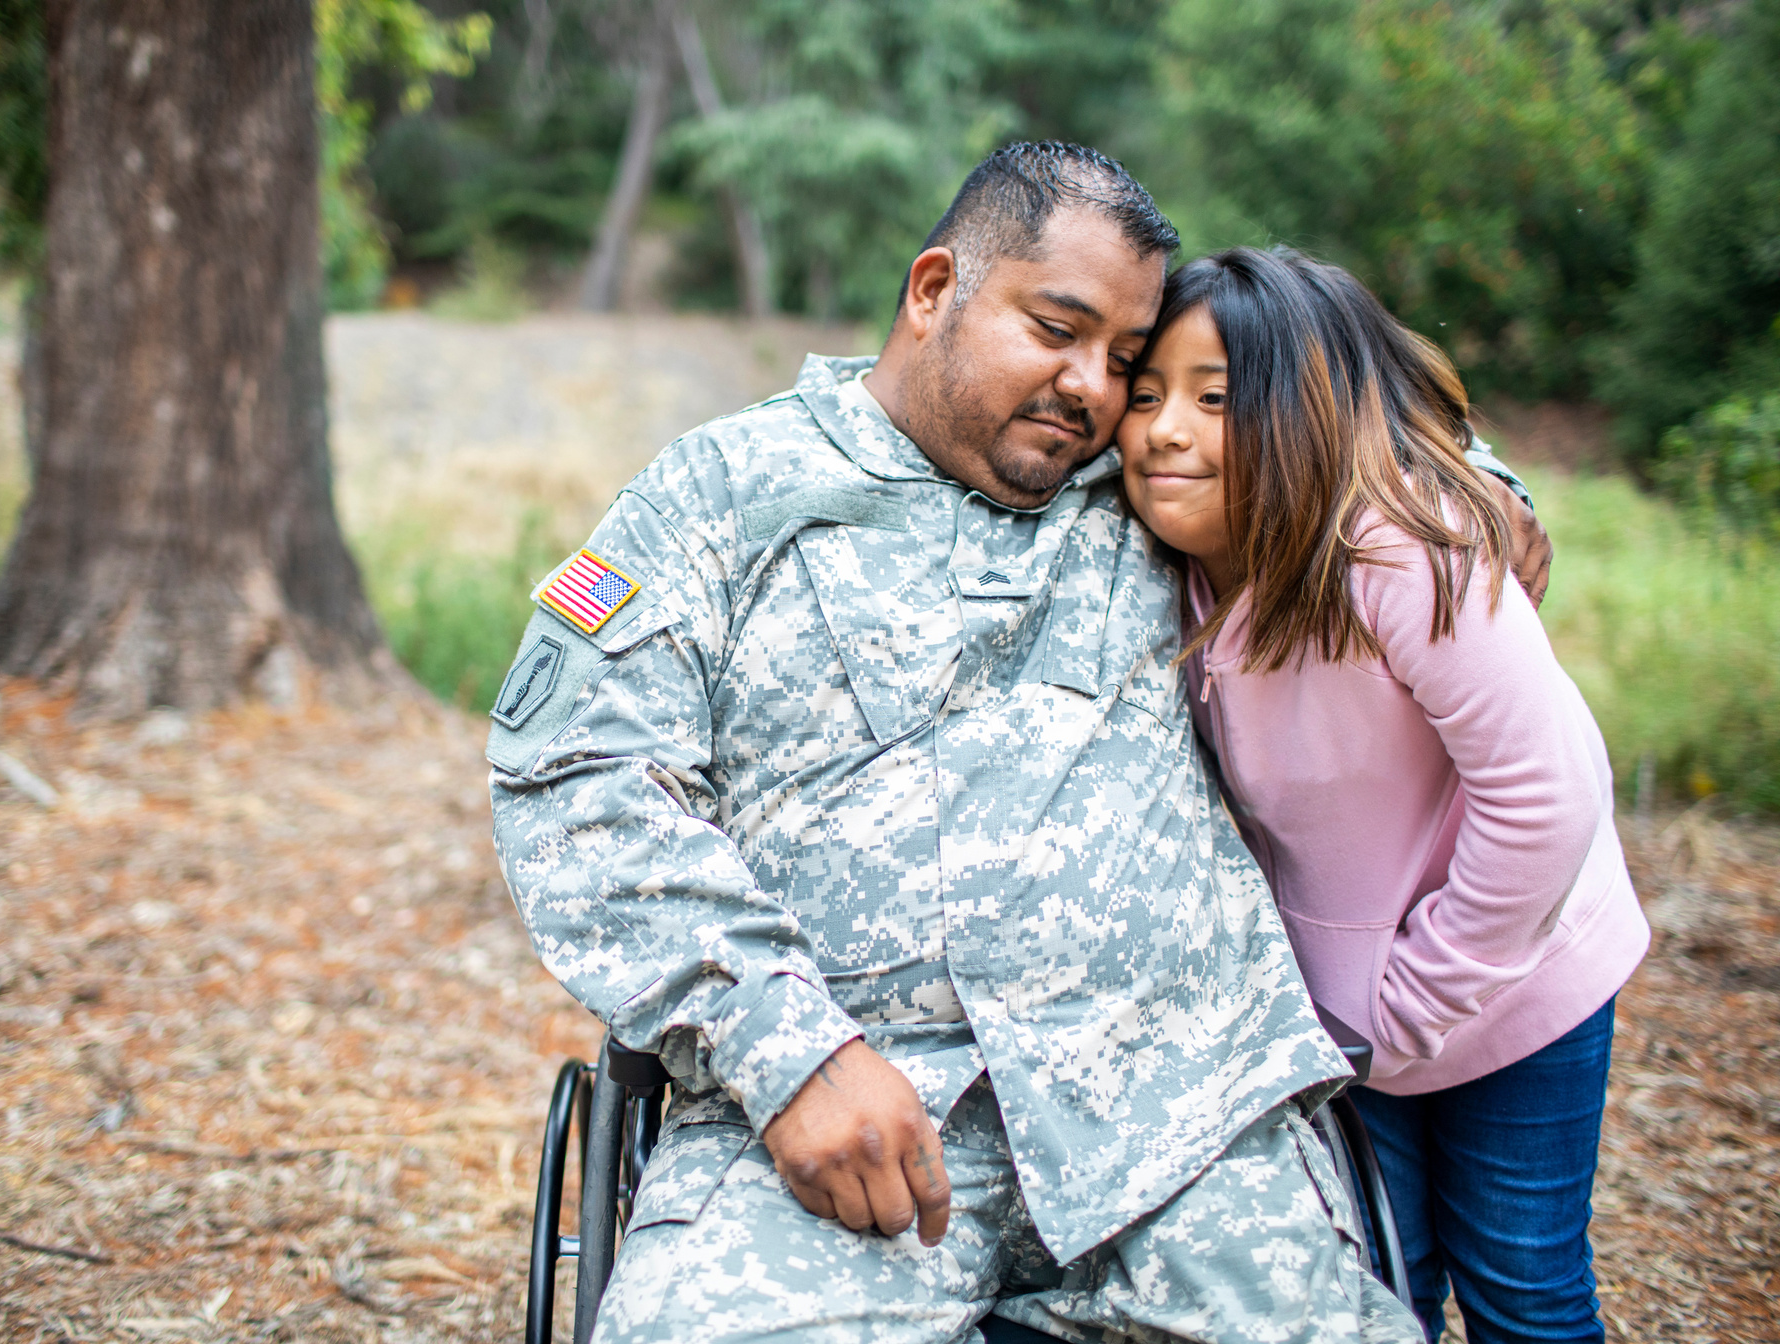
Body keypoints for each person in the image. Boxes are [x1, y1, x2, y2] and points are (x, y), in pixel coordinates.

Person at [489, 143, 1540, 1344]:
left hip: (1183, 1119)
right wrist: (787, 1048)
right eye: (1057, 329)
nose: (1094, 388)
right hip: (851, 1126)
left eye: (1127, 363)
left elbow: (1324, 426)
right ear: (934, 288)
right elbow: (577, 775)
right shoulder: (719, 498)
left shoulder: (1149, 483)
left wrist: (1474, 481)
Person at [1115, 247, 1649, 1344]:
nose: (1164, 429)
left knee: (1523, 1283)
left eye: (1214, 399)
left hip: (1515, 976)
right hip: (1351, 1019)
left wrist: (1412, 1002)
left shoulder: (1401, 552)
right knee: (1375, 1286)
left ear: (1307, 414)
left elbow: (1546, 798)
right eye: (1148, 395)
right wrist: (1364, 1021)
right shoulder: (1174, 561)